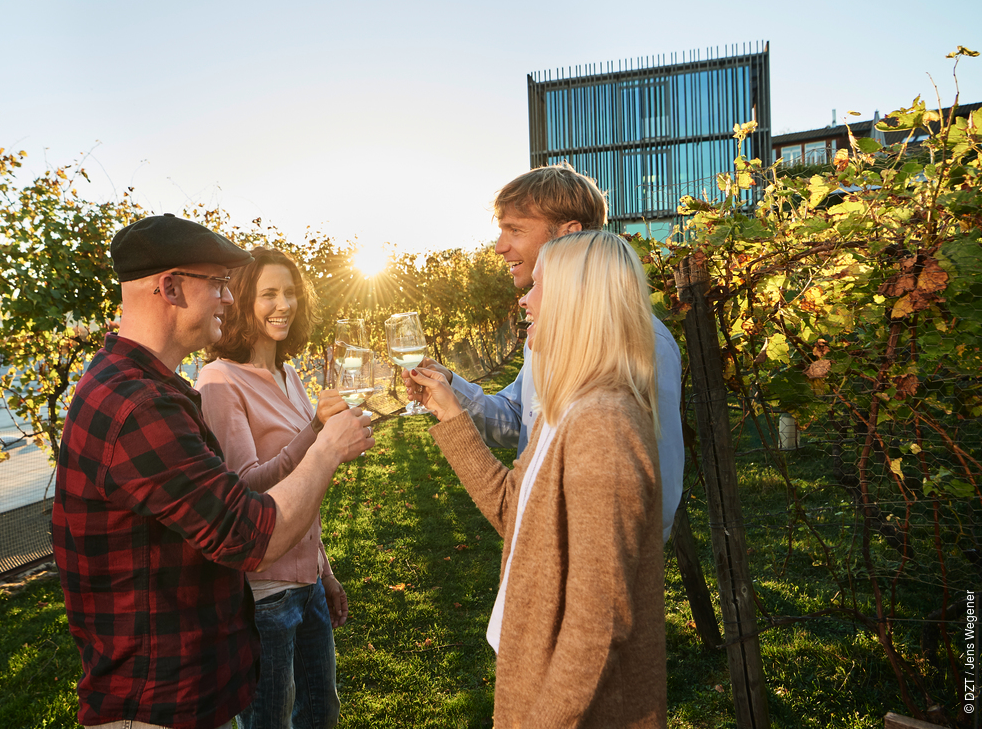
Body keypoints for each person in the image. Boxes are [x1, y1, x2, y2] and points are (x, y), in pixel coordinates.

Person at [52, 215, 373, 729]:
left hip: (187, 691)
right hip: (157, 703)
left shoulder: (145, 389)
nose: (229, 298)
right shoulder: (139, 407)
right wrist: (327, 448)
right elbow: (250, 533)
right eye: (219, 284)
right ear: (170, 287)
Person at [411, 231, 667, 728]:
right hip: (536, 671)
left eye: (540, 286)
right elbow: (516, 512)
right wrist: (449, 414)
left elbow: (596, 626)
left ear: (576, 302)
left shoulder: (604, 427)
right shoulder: (566, 410)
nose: (524, 297)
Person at [404, 162, 685, 544]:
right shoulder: (543, 333)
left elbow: (655, 493)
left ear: (569, 234)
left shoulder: (641, 343)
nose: (501, 246)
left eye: (515, 230)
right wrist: (451, 389)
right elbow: (521, 418)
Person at [195, 248, 344, 729]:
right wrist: (317, 433)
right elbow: (243, 490)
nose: (285, 304)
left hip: (307, 582)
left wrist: (324, 572)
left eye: (291, 292)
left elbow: (303, 491)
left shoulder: (290, 375)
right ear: (240, 302)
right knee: (269, 723)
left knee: (321, 713)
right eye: (269, 294)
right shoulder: (219, 380)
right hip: (264, 592)